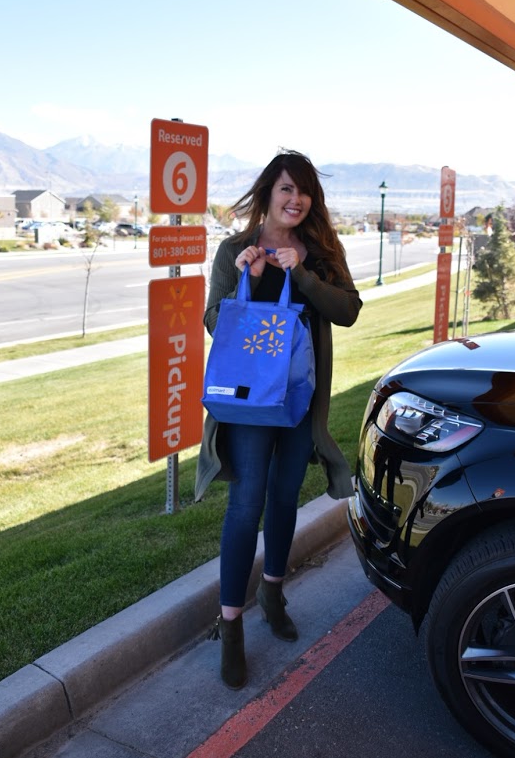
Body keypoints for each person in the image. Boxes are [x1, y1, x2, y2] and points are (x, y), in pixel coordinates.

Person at [196, 150, 362, 689]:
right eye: (287, 189)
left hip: (297, 400)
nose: (297, 200)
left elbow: (349, 310)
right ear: (267, 193)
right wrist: (251, 275)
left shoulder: (320, 251)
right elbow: (213, 318)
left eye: (305, 191)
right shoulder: (233, 250)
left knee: (286, 495)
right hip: (248, 402)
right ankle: (231, 626)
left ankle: (272, 592)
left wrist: (305, 276)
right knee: (246, 505)